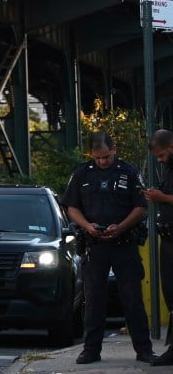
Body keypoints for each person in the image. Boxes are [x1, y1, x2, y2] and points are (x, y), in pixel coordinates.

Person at [62, 132, 154, 364]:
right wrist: (87, 226)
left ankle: (144, 349)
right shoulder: (82, 173)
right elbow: (72, 207)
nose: (103, 161)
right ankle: (91, 350)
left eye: (106, 156)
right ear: (91, 154)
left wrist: (121, 227)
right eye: (98, 157)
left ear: (114, 150)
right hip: (95, 246)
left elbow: (141, 207)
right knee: (93, 300)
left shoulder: (128, 171)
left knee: (132, 299)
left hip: (124, 244)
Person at [144, 128, 173, 366]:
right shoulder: (169, 168)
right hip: (169, 239)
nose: (160, 160)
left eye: (162, 155)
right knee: (170, 294)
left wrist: (161, 197)